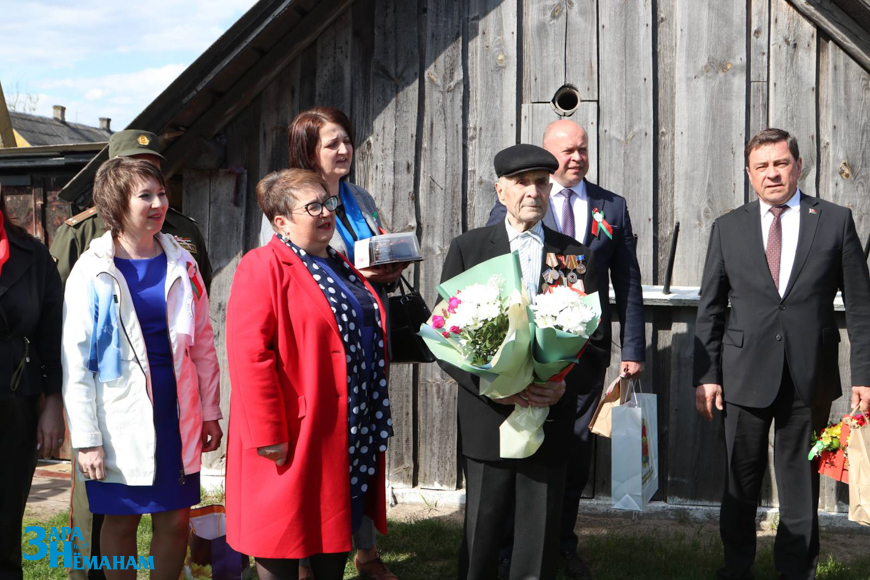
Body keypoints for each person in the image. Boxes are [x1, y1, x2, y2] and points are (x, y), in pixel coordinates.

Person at [693, 128, 870, 579]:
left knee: (799, 483)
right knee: (740, 479)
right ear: (749, 174)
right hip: (742, 374)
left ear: (798, 166)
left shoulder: (834, 221)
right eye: (762, 166)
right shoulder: (728, 228)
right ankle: (736, 568)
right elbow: (710, 307)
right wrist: (706, 375)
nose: (772, 173)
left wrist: (864, 377)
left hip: (808, 376)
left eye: (780, 163)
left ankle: (796, 571)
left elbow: (861, 307)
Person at [51, 129, 214, 580]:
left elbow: (203, 342)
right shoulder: (92, 269)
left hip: (175, 411)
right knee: (121, 522)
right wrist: (86, 438)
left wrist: (210, 412)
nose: (159, 203)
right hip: (118, 416)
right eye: (146, 196)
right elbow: (76, 362)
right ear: (117, 203)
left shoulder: (184, 261)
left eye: (162, 193)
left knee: (175, 520)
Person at [440, 144, 608, 580]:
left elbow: (595, 342)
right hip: (488, 414)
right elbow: (444, 335)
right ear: (501, 191)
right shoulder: (469, 249)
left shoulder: (575, 256)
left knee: (539, 534)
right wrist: (491, 386)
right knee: (483, 529)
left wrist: (562, 384)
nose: (533, 191)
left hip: (548, 413)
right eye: (521, 183)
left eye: (541, 183)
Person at [487, 119, 644, 579]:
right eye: (567, 151)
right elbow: (494, 266)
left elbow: (627, 281)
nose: (576, 158)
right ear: (546, 152)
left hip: (583, 355)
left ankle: (562, 544)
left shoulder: (611, 207)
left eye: (583, 149)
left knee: (572, 454)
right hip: (523, 353)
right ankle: (508, 546)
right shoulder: (518, 199)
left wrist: (632, 347)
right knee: (520, 448)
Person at [258, 107, 404, 580]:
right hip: (319, 352)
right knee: (323, 459)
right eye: (331, 143)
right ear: (308, 152)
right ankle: (307, 554)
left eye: (347, 140)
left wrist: (385, 265)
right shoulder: (286, 202)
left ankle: (362, 550)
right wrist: (355, 273)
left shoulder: (359, 197)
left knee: (361, 446)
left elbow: (371, 246)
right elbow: (287, 276)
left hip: (364, 332)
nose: (344, 150)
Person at [225, 169, 392, 580]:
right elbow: (250, 356)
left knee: (331, 537)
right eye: (312, 207)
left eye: (328, 203)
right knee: (281, 538)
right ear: (281, 222)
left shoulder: (339, 263)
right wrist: (268, 432)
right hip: (293, 430)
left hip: (344, 427)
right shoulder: (262, 266)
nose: (326, 212)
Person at [0, 186, 64, 580]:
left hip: (15, 402)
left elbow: (52, 335)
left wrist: (53, 402)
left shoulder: (32, 254)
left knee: (5, 524)